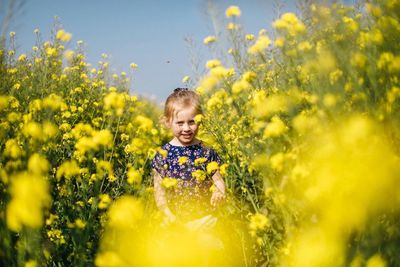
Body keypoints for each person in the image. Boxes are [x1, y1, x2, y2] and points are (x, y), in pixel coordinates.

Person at [151, 88, 226, 224]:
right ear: (168, 122)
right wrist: (170, 217)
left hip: (207, 220)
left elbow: (218, 180)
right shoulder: (162, 155)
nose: (186, 128)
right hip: (176, 222)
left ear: (199, 120)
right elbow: (159, 193)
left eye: (191, 122)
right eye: (180, 123)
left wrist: (219, 192)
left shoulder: (206, 150)